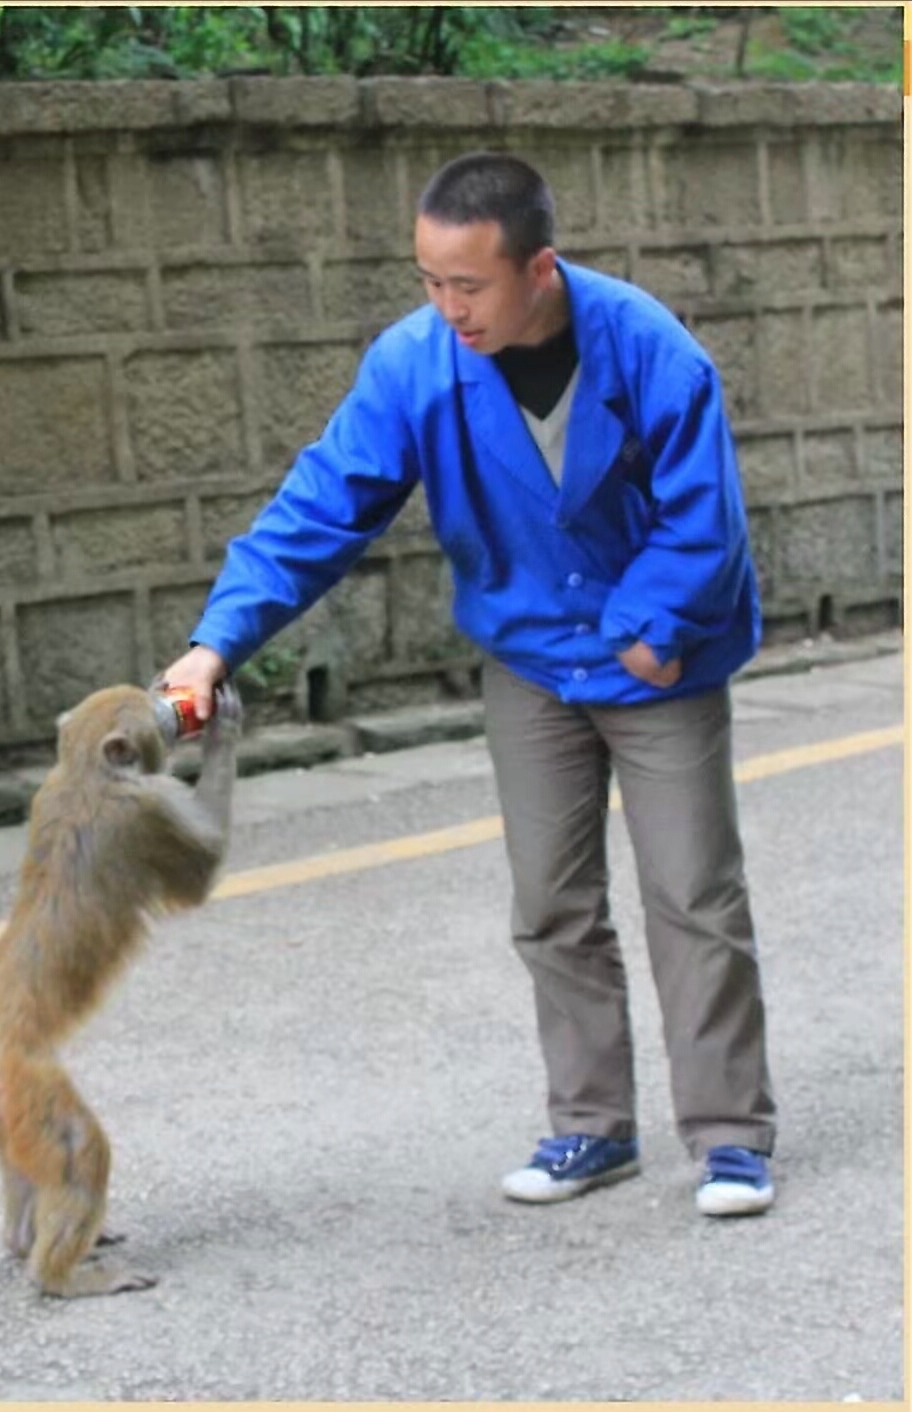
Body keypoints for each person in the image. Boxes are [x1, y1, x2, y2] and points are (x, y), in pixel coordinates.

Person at [163, 152, 776, 1218]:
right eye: (430, 282)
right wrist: (216, 643)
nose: (448, 308)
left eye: (468, 285)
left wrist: (653, 625)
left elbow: (703, 513)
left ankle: (729, 1137)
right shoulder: (413, 364)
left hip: (656, 665)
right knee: (550, 904)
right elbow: (320, 507)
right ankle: (592, 1126)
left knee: (694, 895)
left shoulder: (648, 346)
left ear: (538, 267)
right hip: (529, 660)